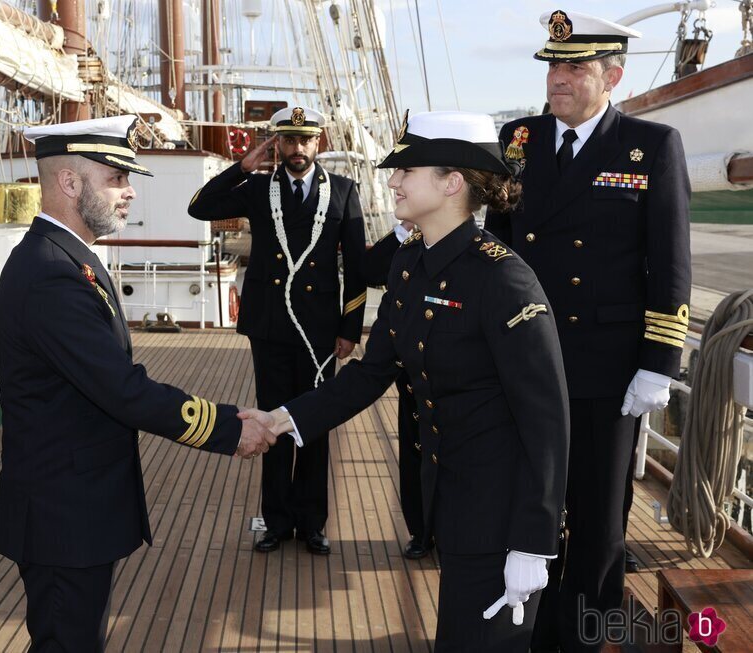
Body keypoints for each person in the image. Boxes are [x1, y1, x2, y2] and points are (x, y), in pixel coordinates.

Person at [243, 111, 570, 651]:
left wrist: (533, 543)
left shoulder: (504, 279)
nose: (392, 181)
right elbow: (372, 374)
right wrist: (283, 419)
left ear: (452, 183)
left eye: (406, 170)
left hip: (501, 511)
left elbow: (547, 421)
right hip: (451, 497)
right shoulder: (410, 264)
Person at [0, 115, 276, 652]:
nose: (127, 194)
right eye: (115, 179)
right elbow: (121, 389)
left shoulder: (67, 258)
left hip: (77, 507)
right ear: (69, 182)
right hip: (64, 514)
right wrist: (227, 427)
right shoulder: (51, 272)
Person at [483, 11, 691, 651]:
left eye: (575, 67)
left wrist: (661, 361)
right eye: (553, 65)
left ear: (613, 76)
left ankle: (585, 634)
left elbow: (670, 261)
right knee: (528, 503)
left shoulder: (650, 145)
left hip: (608, 365)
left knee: (599, 520)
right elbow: (498, 243)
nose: (558, 78)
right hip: (526, 358)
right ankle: (530, 629)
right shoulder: (518, 139)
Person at [188, 106, 367, 555]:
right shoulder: (256, 186)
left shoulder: (344, 192)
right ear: (278, 145)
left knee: (315, 424)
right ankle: (275, 521)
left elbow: (357, 270)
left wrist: (350, 328)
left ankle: (312, 523)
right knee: (270, 422)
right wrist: (240, 167)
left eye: (305, 140)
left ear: (318, 142)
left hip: (320, 331)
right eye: (288, 141)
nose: (297, 150)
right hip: (269, 326)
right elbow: (200, 207)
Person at [361, 221, 432, 559]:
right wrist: (404, 232)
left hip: (455, 375)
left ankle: (448, 532)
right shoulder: (407, 242)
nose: (395, 184)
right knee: (414, 449)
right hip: (412, 372)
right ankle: (421, 531)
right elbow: (369, 271)